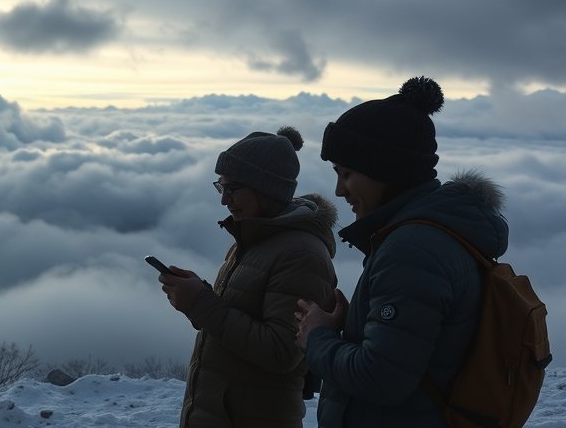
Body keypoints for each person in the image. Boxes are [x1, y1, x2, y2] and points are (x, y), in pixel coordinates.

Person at [296, 76, 508, 427]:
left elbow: (380, 379)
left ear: (386, 171)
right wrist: (349, 329)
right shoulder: (429, 236)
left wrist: (317, 337)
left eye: (346, 174)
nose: (338, 190)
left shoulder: (413, 251)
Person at [159, 126, 338, 428]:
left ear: (266, 189)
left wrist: (200, 303)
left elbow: (281, 352)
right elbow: (236, 318)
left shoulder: (301, 255)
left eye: (233, 189)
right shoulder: (253, 239)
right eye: (221, 187)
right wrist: (194, 298)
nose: (224, 200)